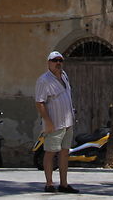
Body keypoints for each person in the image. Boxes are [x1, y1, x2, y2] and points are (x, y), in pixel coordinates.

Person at [35, 51, 78, 194]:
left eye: (60, 60)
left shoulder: (64, 76)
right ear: (49, 63)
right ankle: (49, 184)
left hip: (67, 122)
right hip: (54, 123)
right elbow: (39, 102)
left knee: (65, 153)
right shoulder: (44, 80)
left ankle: (64, 184)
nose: (58, 63)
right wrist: (47, 122)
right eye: (55, 60)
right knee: (50, 152)